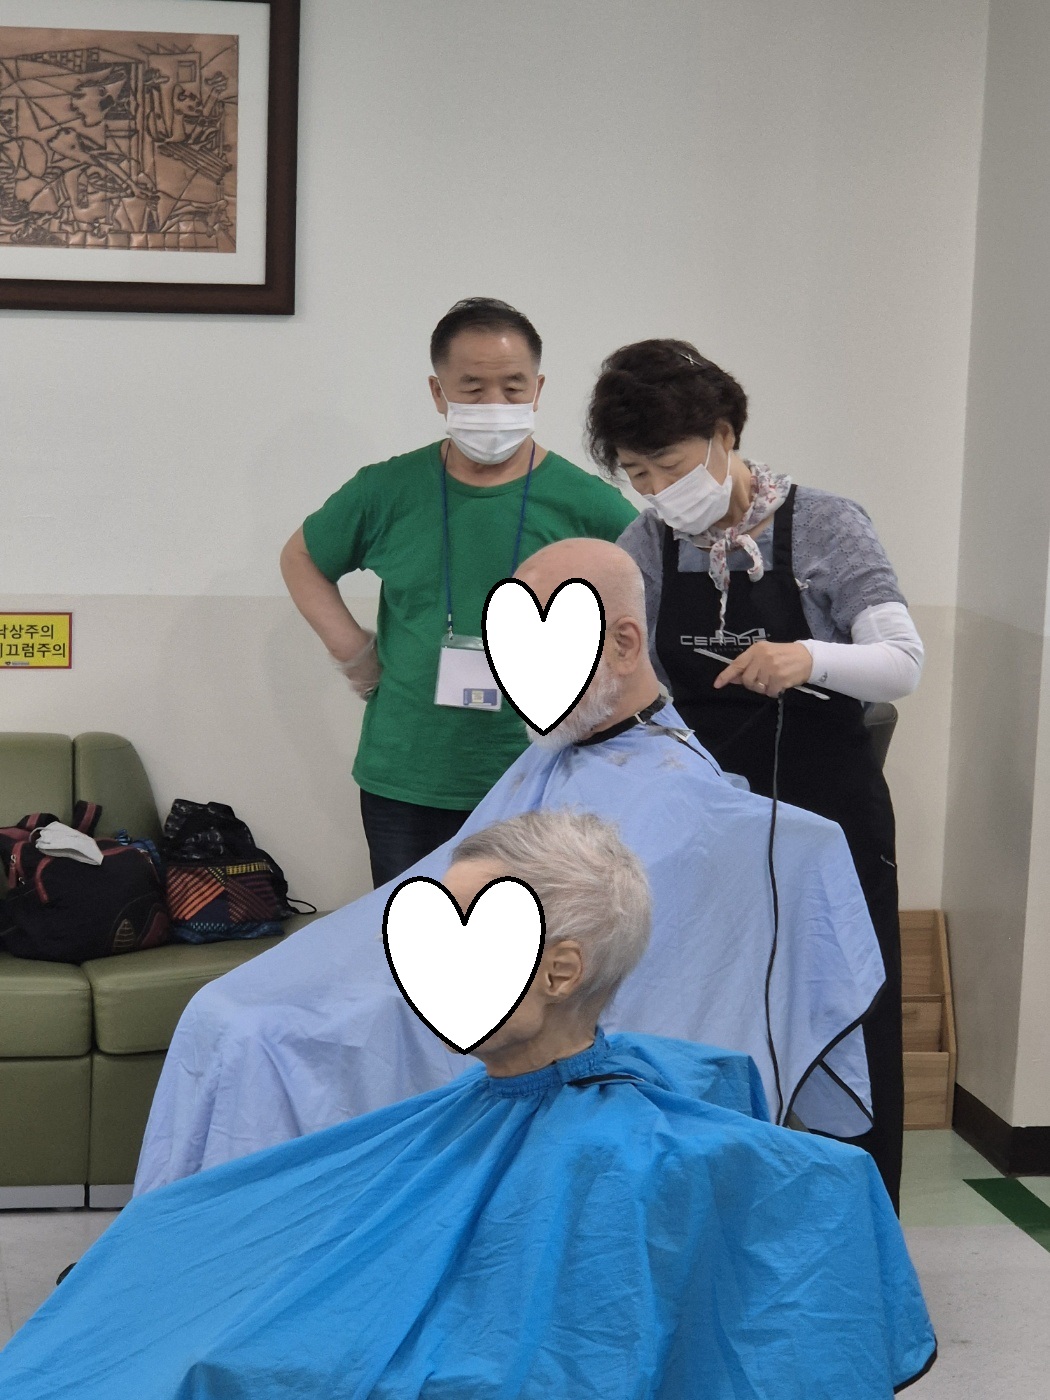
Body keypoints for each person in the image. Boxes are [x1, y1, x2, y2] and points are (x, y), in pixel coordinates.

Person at [0, 811, 936, 1400]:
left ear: (561, 970)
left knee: (229, 1362)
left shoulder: (621, 1155)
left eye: (470, 943)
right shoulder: (479, 1112)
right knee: (166, 1238)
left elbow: (561, 1351)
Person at [135, 538, 885, 1195]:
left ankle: (245, 1258)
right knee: (222, 1009)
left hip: (514, 999)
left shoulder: (675, 792)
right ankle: (184, 1251)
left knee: (254, 1034)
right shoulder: (562, 755)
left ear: (625, 645)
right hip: (460, 952)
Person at [585, 339, 925, 1210]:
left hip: (829, 817)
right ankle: (721, 1217)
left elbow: (902, 661)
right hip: (708, 826)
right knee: (710, 1011)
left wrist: (808, 657)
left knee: (849, 1010)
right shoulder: (645, 545)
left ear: (724, 434)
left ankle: (856, 1222)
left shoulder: (824, 524)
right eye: (637, 473)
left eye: (670, 465)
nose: (658, 490)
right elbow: (619, 681)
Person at [280, 298, 637, 887]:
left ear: (538, 389)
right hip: (407, 774)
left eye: (512, 387)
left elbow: (644, 601)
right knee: (411, 932)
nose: (494, 404)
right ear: (438, 391)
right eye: (472, 389)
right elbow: (301, 558)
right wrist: (354, 653)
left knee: (539, 937)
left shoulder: (588, 503)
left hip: (542, 773)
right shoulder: (386, 489)